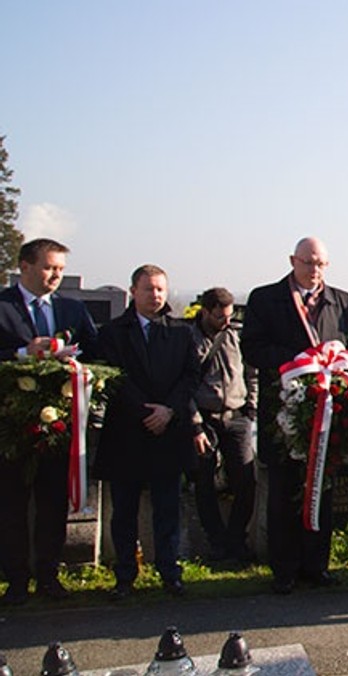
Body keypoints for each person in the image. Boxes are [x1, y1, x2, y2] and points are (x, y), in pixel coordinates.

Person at [242, 237, 348, 595]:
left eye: (321, 264)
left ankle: (317, 566)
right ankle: (283, 569)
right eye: (308, 262)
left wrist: (344, 360)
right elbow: (252, 347)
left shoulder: (342, 301)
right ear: (292, 261)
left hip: (330, 415)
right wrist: (299, 363)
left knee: (322, 490)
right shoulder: (265, 299)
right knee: (283, 492)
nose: (314, 270)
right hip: (284, 412)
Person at [0, 239, 98, 605]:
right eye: (48, 267)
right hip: (12, 425)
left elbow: (95, 350)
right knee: (11, 505)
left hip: (59, 426)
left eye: (59, 269)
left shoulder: (72, 310)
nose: (55, 275)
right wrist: (24, 353)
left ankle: (49, 575)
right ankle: (15, 579)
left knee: (53, 503)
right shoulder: (4, 307)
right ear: (24, 266)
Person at [94, 264, 200, 600]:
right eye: (148, 289)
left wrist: (168, 410)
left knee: (167, 509)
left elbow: (190, 377)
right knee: (123, 512)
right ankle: (125, 575)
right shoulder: (113, 333)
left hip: (167, 434)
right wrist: (146, 411)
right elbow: (114, 377)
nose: (155, 295)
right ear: (133, 292)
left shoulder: (181, 333)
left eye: (160, 289)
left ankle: (170, 572)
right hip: (127, 433)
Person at [188, 287, 257, 564]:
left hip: (237, 416)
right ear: (205, 312)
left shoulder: (235, 336)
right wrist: (195, 425)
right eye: (219, 317)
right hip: (205, 418)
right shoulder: (189, 339)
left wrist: (251, 405)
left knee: (246, 481)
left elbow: (251, 372)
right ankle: (216, 542)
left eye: (229, 316)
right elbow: (184, 386)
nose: (225, 322)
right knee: (204, 483)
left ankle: (236, 540)